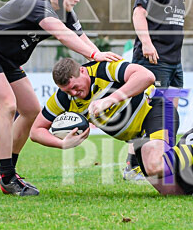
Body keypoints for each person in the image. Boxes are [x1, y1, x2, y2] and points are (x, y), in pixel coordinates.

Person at [0, 0, 120, 196]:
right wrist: (95, 56)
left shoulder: (66, 11)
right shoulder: (37, 4)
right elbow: (62, 35)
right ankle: (7, 177)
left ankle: (7, 170)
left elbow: (81, 39)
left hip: (7, 59)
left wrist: (101, 59)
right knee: (8, 105)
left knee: (31, 110)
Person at [28, 58, 177, 161]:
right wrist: (62, 144)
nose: (73, 94)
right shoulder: (62, 99)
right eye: (67, 91)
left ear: (82, 71)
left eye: (74, 87)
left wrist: (110, 100)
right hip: (136, 138)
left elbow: (146, 76)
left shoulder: (103, 69)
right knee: (160, 178)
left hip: (155, 110)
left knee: (159, 163)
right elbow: (35, 131)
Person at [127, 0, 188, 178]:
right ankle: (133, 164)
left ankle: (165, 161)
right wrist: (147, 43)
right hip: (153, 61)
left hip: (175, 62)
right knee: (147, 112)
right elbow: (138, 14)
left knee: (170, 112)